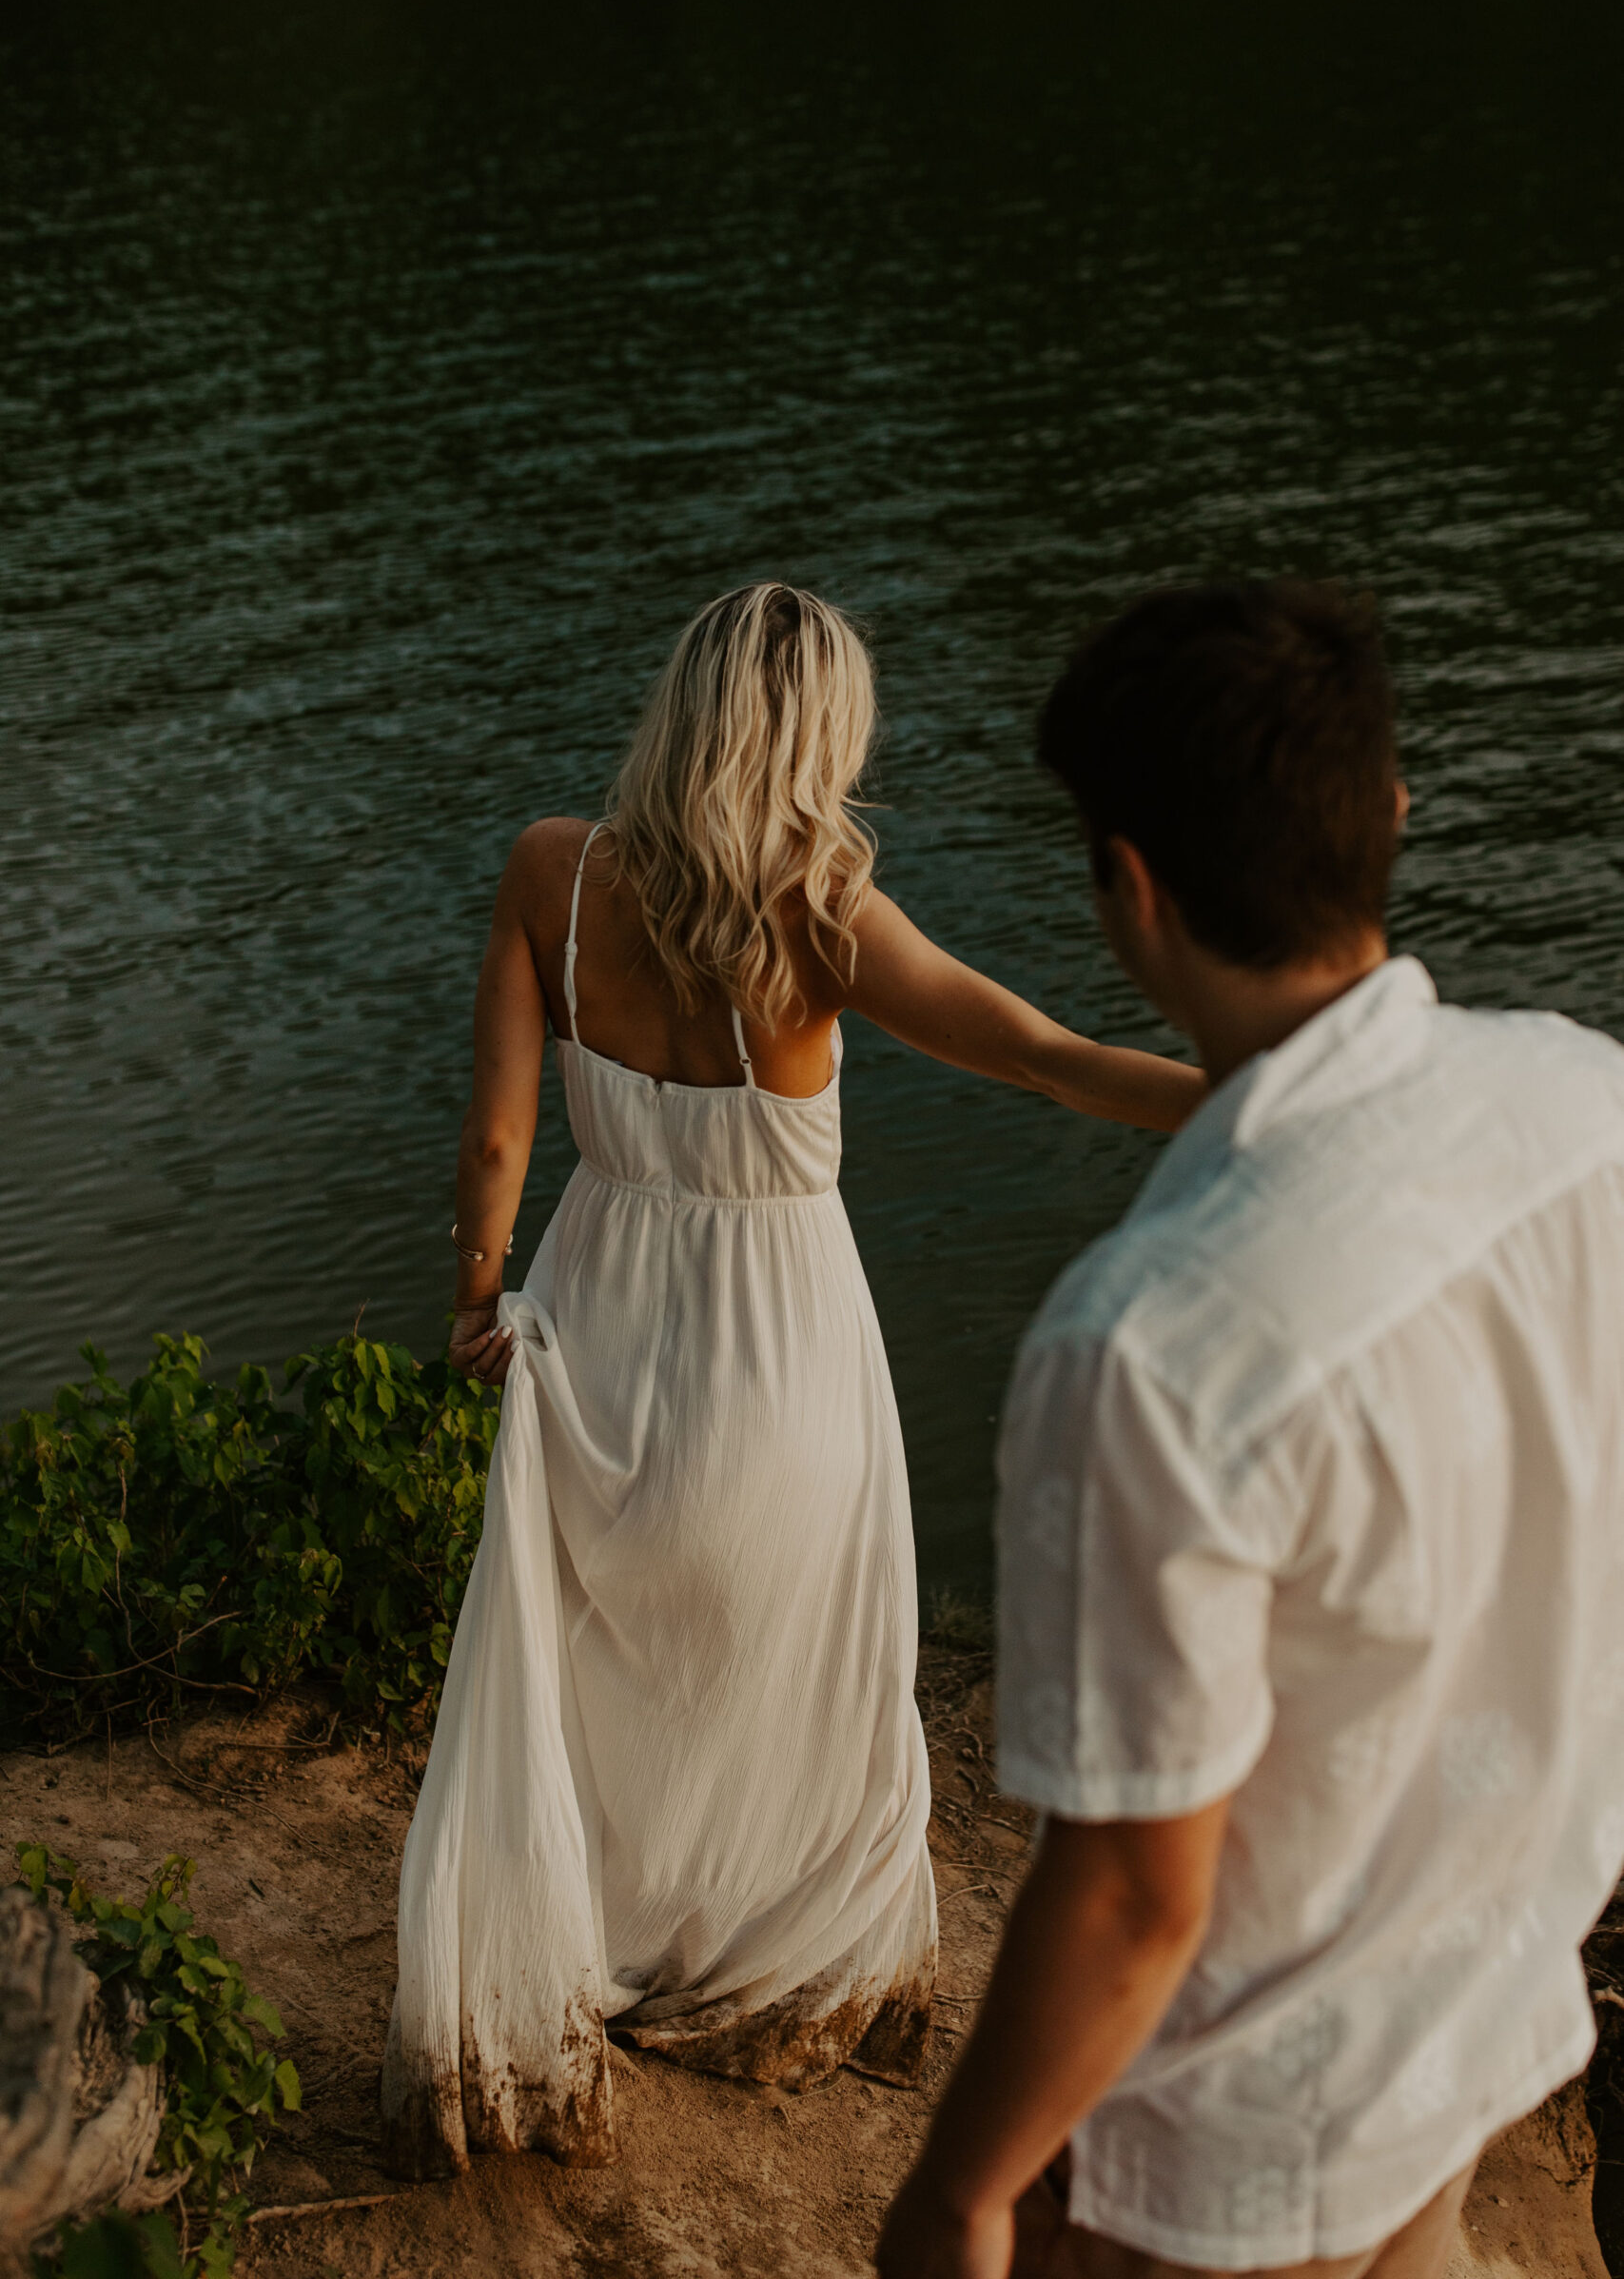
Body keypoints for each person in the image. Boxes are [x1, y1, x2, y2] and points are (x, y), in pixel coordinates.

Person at [381, 582, 1203, 2177]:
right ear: (821, 738)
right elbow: (1038, 1052)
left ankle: (602, 1935)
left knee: (596, 1666)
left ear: (678, 708)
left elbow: (495, 1137)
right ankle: (765, 1967)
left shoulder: (553, 876)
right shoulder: (821, 915)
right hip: (782, 1354)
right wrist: (1252, 1089)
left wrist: (479, 1301)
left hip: (600, 1325)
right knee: (797, 1674)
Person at [877, 580, 1624, 2279]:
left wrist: (958, 2190)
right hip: (1472, 2033)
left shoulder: (1147, 1343)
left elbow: (1140, 1899)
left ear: (1128, 891)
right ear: (1392, 816)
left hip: (1224, 2172)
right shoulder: (1589, 1108)